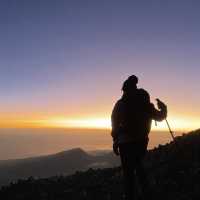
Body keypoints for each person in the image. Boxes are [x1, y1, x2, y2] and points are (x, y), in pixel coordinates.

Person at [111, 75, 167, 200]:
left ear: (125, 89)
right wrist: (164, 107)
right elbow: (160, 117)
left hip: (124, 143)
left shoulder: (120, 104)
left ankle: (130, 196)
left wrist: (115, 140)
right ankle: (146, 194)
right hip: (141, 142)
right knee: (140, 168)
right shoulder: (144, 102)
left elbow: (114, 123)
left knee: (128, 174)